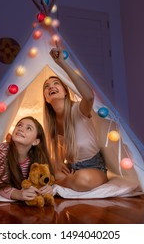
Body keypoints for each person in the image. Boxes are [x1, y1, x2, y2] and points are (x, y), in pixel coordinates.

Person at [43, 46, 108, 192]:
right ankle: (66, 182)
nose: (51, 87)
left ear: (65, 92)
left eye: (55, 84)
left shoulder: (78, 109)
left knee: (82, 179)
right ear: (46, 98)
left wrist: (62, 63)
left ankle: (59, 184)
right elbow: (59, 158)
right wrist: (58, 163)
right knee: (49, 170)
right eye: (47, 87)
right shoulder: (51, 123)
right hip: (72, 169)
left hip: (93, 167)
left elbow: (89, 96)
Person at [0, 116, 54, 201]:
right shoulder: (3, 150)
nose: (20, 129)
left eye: (28, 128)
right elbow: (1, 185)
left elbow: (48, 179)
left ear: (35, 141)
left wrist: (49, 188)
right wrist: (18, 194)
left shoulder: (38, 156)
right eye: (19, 125)